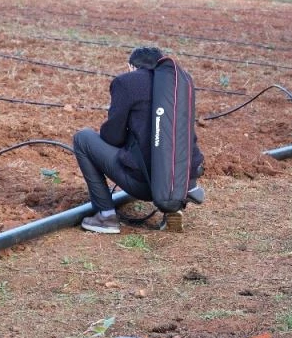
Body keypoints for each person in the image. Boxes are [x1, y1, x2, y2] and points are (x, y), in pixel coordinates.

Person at [73, 47, 204, 234]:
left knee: (83, 139)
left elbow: (113, 136)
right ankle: (173, 208)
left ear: (131, 67)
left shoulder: (127, 82)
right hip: (185, 182)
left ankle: (106, 216)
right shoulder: (178, 86)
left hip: (144, 184)